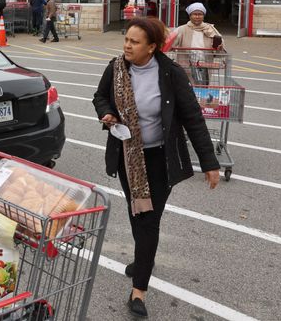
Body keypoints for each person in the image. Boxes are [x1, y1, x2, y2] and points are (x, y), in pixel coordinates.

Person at [92, 17, 220, 318]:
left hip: (160, 159)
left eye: (134, 42)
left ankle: (139, 290)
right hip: (127, 156)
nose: (127, 45)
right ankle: (143, 258)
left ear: (152, 47)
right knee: (138, 213)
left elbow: (193, 118)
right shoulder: (115, 68)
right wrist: (107, 113)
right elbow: (99, 97)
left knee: (149, 220)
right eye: (126, 40)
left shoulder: (171, 73)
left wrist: (210, 162)